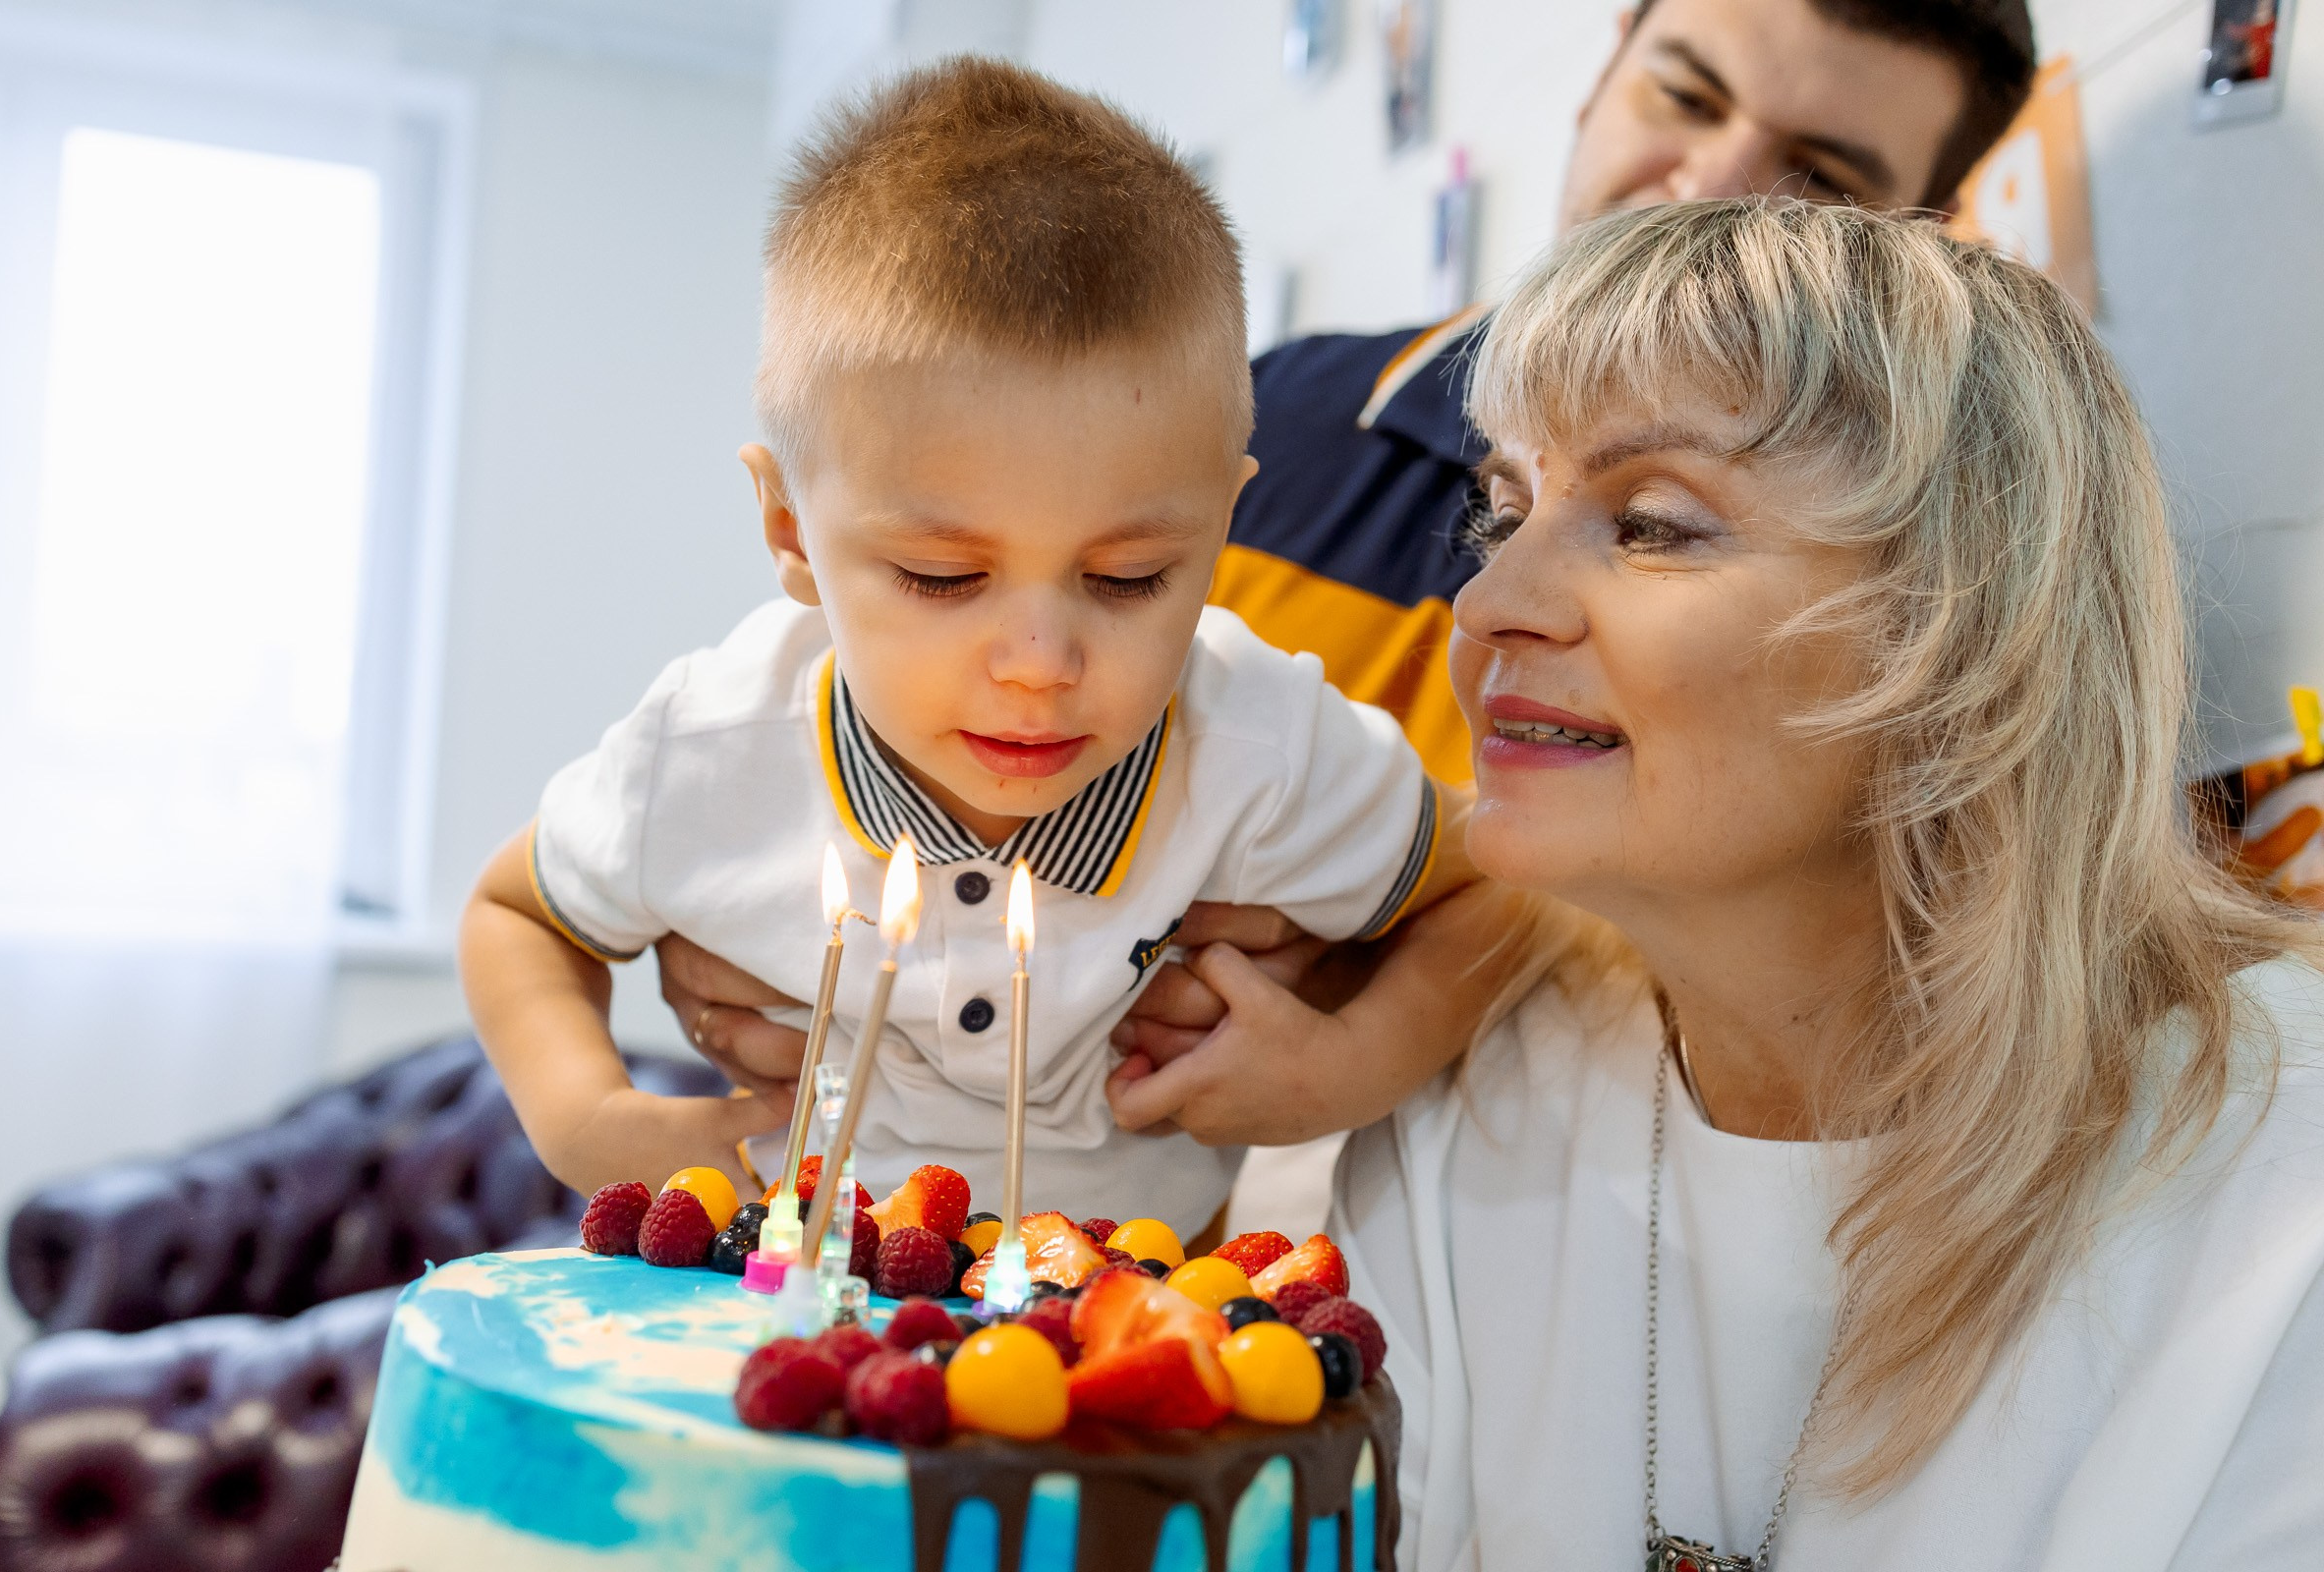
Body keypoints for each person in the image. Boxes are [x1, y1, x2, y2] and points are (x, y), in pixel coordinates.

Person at [654, 0, 2043, 1139]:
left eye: (1820, 176)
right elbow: (858, 745)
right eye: (1684, 95)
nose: (1716, 186)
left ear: (1921, 237)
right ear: (1597, 83)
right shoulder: (1249, 442)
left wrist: (1400, 967)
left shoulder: (1906, 624)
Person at [1209, 197, 2321, 1567]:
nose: (1490, 606)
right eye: (1502, 511)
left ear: (1967, 625)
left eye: (1654, 525)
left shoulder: (2285, 1186)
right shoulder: (1467, 1103)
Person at [456, 59, 1476, 1233]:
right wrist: (586, 1116)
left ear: (1222, 527)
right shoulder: (711, 742)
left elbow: (1489, 887)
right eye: (944, 578)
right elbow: (515, 914)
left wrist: (1353, 1061)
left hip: (1126, 1354)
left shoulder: (1265, 743)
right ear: (791, 528)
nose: (1041, 660)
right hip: (800, 1327)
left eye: (1129, 577)